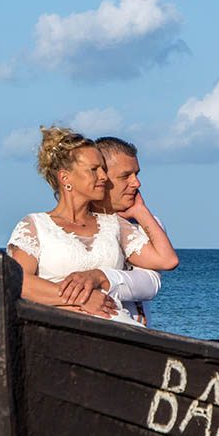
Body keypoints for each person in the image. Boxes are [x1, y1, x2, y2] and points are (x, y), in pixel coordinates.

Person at [7, 125, 178, 323]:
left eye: (103, 170)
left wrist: (140, 210)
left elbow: (167, 261)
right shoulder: (35, 226)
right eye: (94, 170)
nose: (103, 177)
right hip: (60, 331)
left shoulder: (114, 224)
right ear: (65, 178)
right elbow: (18, 282)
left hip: (120, 332)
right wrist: (81, 299)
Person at [57, 136, 164, 324]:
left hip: (130, 336)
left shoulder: (145, 224)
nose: (136, 183)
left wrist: (102, 277)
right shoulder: (66, 226)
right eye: (125, 176)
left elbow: (150, 283)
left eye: (137, 174)